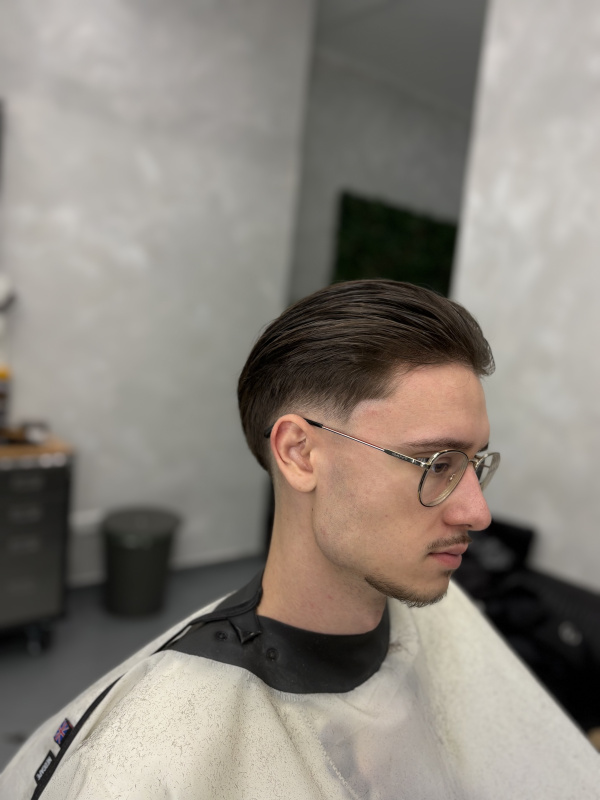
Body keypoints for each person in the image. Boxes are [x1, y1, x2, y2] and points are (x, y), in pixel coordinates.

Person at [3, 280, 599, 799]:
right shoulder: (145, 754)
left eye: (473, 463)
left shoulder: (445, 621)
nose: (478, 512)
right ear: (299, 453)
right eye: (436, 463)